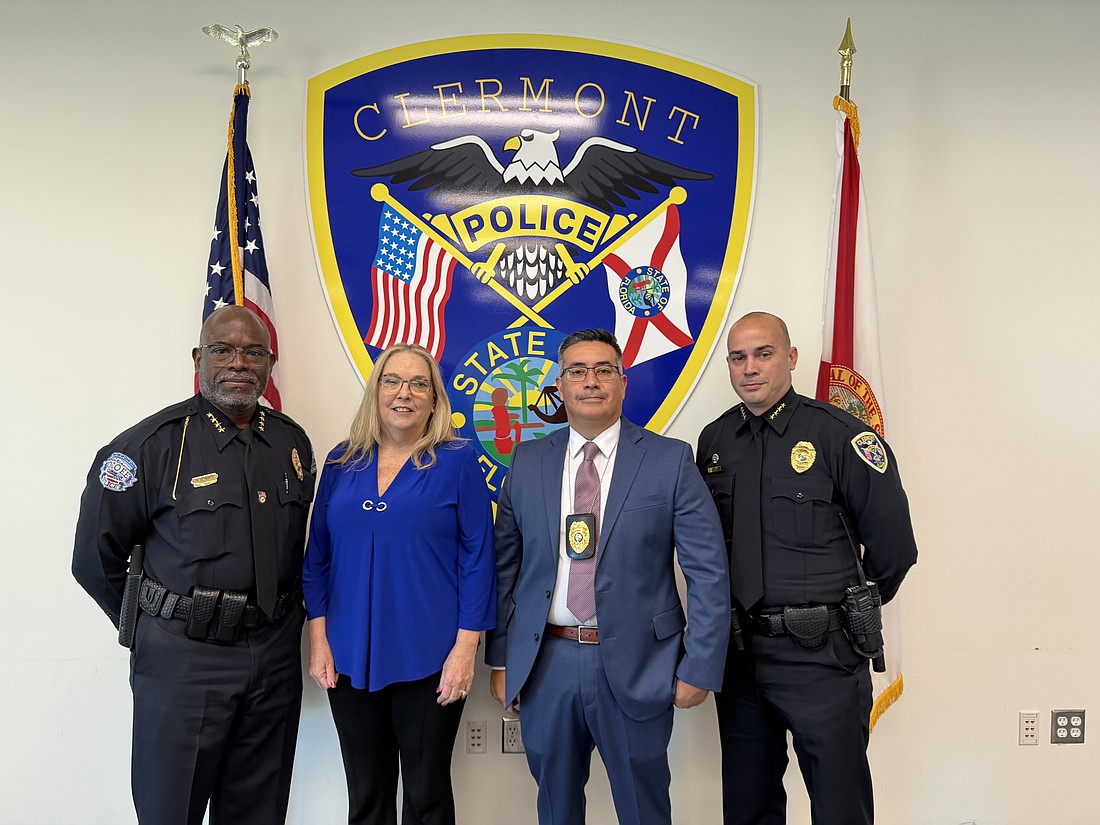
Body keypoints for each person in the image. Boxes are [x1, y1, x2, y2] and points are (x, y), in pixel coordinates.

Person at [72, 305, 315, 825]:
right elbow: (94, 559)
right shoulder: (148, 446)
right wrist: (160, 624)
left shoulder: (291, 443)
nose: (238, 363)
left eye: (253, 353)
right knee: (171, 812)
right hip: (184, 661)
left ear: (270, 363)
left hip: (273, 657)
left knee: (259, 812)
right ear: (198, 358)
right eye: (223, 350)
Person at [485, 328, 730, 825]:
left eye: (603, 370)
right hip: (545, 664)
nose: (590, 381)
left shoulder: (670, 460)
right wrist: (500, 660)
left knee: (643, 810)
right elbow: (504, 567)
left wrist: (700, 665)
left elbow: (707, 570)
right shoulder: (528, 462)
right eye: (577, 371)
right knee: (555, 809)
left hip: (641, 664)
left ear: (623, 383)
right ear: (559, 386)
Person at [696, 311, 918, 825]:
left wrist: (846, 610)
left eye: (763, 353)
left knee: (840, 809)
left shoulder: (840, 435)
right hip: (742, 658)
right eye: (738, 357)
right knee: (748, 809)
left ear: (791, 358)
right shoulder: (714, 443)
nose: (749, 368)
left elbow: (894, 547)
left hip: (824, 660)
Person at [302, 342, 496, 825]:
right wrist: (319, 641)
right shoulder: (340, 461)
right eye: (392, 381)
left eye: (418, 383)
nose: (403, 393)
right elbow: (317, 556)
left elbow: (478, 558)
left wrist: (465, 651)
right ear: (375, 391)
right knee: (366, 796)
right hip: (347, 657)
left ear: (434, 398)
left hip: (432, 658)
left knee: (427, 797)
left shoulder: (456, 461)